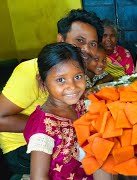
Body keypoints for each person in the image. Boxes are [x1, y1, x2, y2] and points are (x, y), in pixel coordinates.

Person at [0, 9, 103, 178]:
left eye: (92, 44)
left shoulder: (76, 76)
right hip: (22, 148)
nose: (86, 49)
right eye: (79, 41)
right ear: (60, 39)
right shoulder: (30, 72)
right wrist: (58, 129)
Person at [23, 42, 90, 179]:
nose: (72, 86)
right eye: (60, 80)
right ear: (43, 83)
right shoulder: (43, 129)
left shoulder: (78, 105)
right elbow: (38, 177)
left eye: (77, 77)